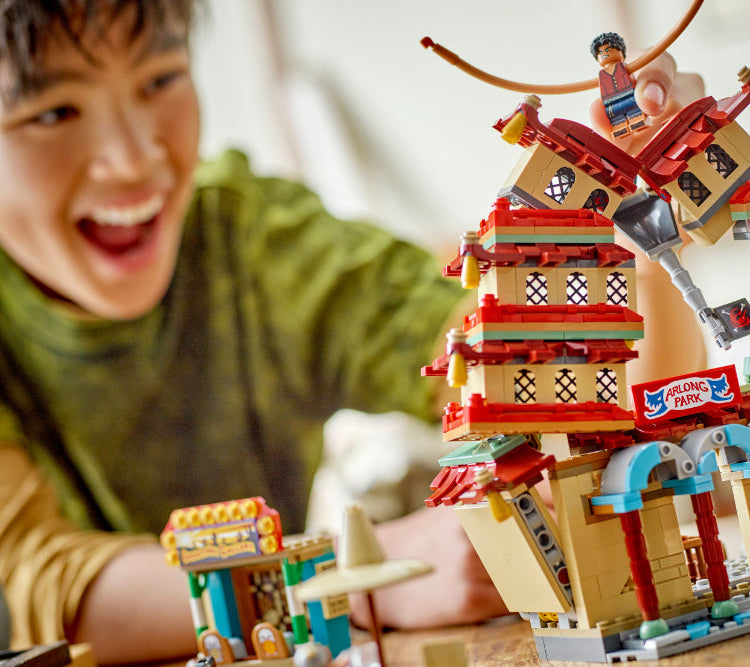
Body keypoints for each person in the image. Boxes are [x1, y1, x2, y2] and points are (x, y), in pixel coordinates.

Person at [0, 2, 702, 664]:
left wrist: (639, 240)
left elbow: (567, 397)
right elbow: (34, 592)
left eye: (159, 79)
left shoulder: (257, 240)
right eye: (52, 111)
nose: (132, 159)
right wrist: (361, 576)